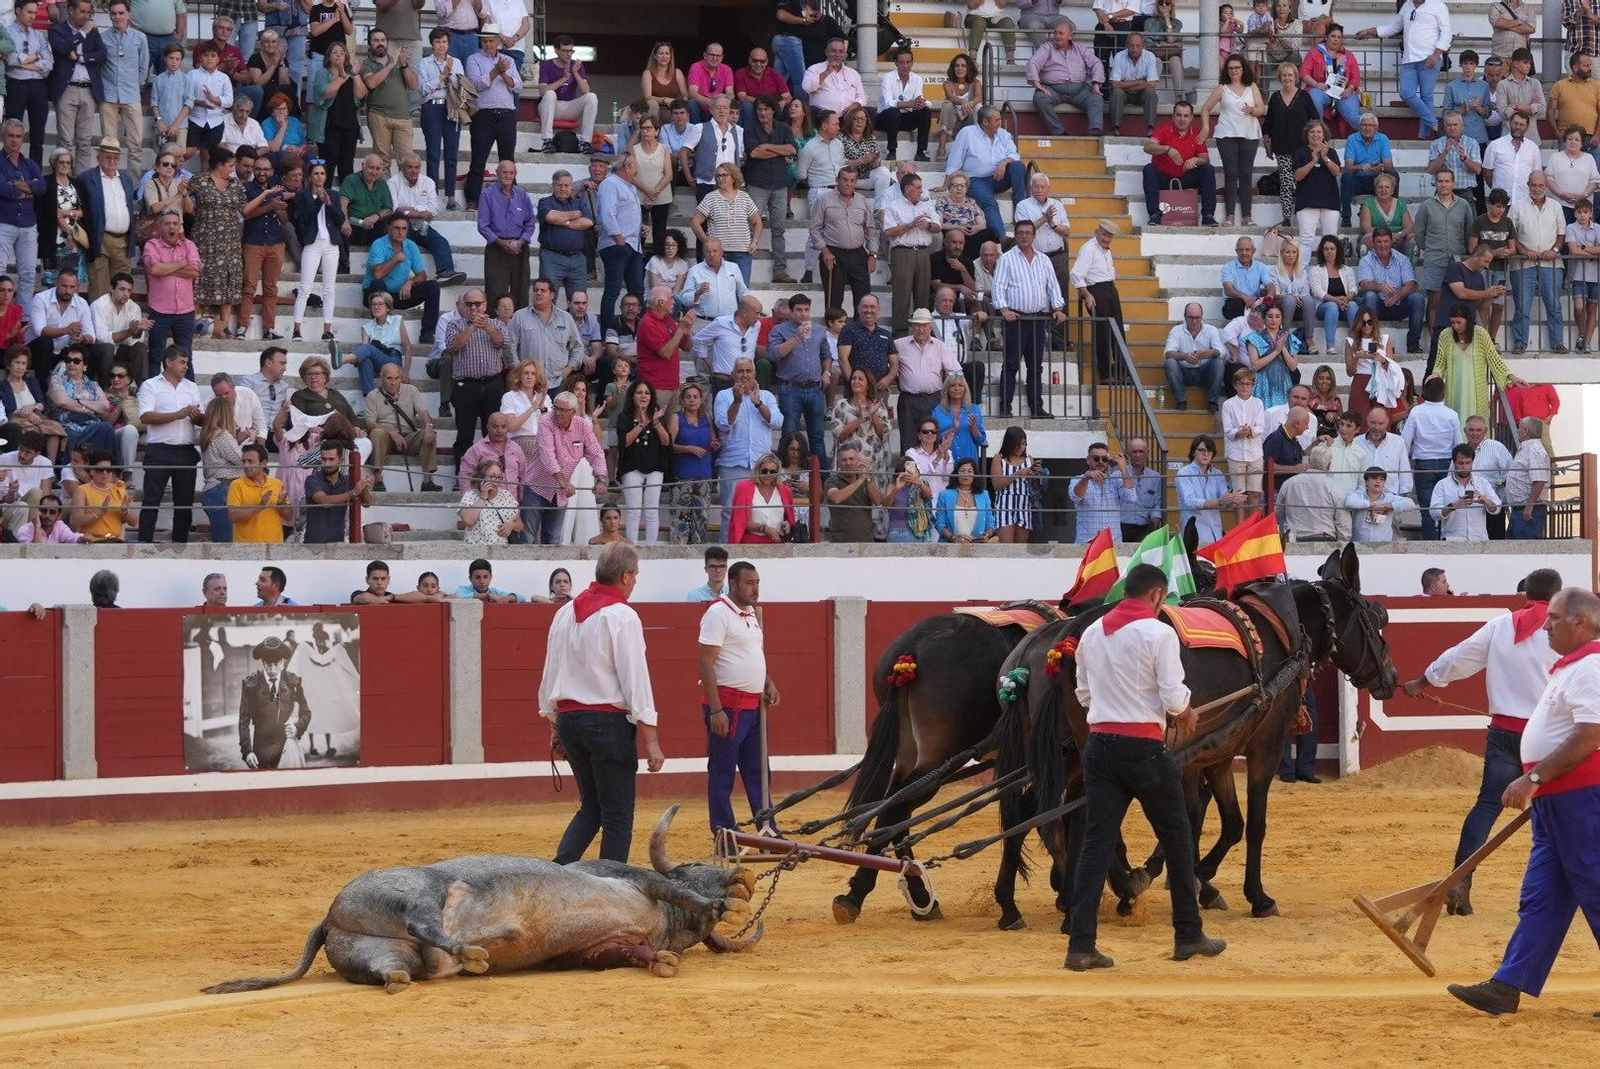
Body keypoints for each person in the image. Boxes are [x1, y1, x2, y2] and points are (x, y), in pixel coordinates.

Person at [1446, 585, 1600, 1016]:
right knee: (1543, 896)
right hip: (1560, 799)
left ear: (1580, 622)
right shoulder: (1572, 666)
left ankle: (1509, 983)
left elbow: (1591, 735)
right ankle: (1508, 985)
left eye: (1553, 618)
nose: (1545, 625)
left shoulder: (1591, 666)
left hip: (1582, 797)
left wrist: (1533, 775)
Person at [1068, 562, 1224, 972]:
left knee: (1096, 844)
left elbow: (1084, 694)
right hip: (1144, 749)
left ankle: (1081, 945)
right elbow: (1174, 696)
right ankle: (1188, 934)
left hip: (1100, 745)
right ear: (1156, 596)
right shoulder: (1159, 633)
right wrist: (1185, 712)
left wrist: (1117, 708)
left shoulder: (1091, 632)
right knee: (1177, 837)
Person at [1402, 566, 1559, 912]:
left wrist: (1423, 682)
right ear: (1557, 598)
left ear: (1524, 595)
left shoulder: (1501, 625)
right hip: (1550, 739)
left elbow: (1459, 658)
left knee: (1487, 805)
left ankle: (1461, 880)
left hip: (1504, 733)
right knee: (1567, 810)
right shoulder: (1566, 630)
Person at [541, 542, 664, 863]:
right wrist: (651, 741)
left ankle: (559, 873)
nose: (635, 582)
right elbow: (636, 680)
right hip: (607, 726)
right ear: (624, 576)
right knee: (617, 815)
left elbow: (550, 671)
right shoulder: (622, 616)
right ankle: (611, 889)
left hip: (570, 721)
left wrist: (554, 723)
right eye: (635, 575)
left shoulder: (564, 613)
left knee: (592, 806)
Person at [696, 557, 779, 829]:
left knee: (758, 771)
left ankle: (767, 828)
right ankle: (724, 832)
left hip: (754, 706)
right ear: (732, 584)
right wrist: (717, 710)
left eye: (757, 583)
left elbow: (752, 655)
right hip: (728, 706)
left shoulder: (751, 613)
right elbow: (706, 662)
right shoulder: (718, 613)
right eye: (749, 583)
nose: (755, 589)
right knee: (722, 772)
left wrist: (767, 681)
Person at [1356, 0, 1451, 138]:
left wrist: (1436, 54)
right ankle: (1434, 124)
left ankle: (1423, 136)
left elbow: (1446, 32)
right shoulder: (1407, 5)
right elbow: (1393, 28)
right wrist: (1368, 31)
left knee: (1426, 97)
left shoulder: (1438, 5)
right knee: (1406, 93)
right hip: (1409, 59)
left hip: (1429, 58)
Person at [135, 347, 200, 542]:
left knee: (184, 503)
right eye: (182, 362)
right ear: (168, 362)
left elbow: (197, 417)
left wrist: (202, 418)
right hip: (159, 449)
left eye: (187, 363)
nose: (186, 367)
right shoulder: (151, 385)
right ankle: (143, 544)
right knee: (151, 501)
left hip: (186, 450)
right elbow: (145, 416)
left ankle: (180, 545)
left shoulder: (192, 386)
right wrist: (178, 414)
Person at [1197, 53, 1264, 228]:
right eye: (1230, 68)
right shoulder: (1222, 88)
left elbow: (1261, 108)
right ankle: (1230, 215)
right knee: (1231, 173)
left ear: (1243, 69)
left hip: (1249, 133)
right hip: (1226, 133)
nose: (1234, 71)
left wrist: (1253, 110)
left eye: (1237, 67)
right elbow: (1205, 108)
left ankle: (1247, 216)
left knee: (1246, 174)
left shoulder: (1252, 86)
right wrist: (1205, 127)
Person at [713, 356, 781, 529]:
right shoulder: (724, 395)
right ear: (733, 374)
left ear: (755, 373)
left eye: (748, 371)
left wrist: (758, 403)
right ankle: (727, 553)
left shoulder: (766, 396)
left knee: (759, 513)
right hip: (733, 463)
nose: (744, 375)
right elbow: (723, 424)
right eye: (740, 371)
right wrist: (737, 401)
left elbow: (777, 421)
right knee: (731, 511)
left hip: (761, 465)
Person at [943, 105, 1028, 239]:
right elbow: (955, 159)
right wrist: (946, 182)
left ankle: (1020, 212)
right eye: (997, 120)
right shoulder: (967, 133)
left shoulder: (1003, 134)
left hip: (999, 178)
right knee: (990, 203)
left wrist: (1004, 162)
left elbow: (1014, 153)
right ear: (985, 122)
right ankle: (1002, 238)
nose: (1000, 123)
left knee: (1018, 166)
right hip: (976, 180)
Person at [1509, 171, 1567, 353]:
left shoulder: (1556, 206)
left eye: (1541, 185)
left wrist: (1555, 251)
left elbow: (1561, 235)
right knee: (1522, 308)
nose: (1537, 189)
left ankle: (1557, 343)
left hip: (1551, 264)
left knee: (1554, 306)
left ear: (1546, 186)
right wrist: (1524, 251)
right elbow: (1511, 235)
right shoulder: (1517, 206)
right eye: (1533, 185)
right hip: (1523, 264)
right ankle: (1520, 344)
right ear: (1528, 185)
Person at [462, 25, 518, 209]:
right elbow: (476, 84)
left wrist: (503, 73)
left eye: (491, 40)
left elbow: (517, 87)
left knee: (508, 159)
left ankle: (511, 197)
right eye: (484, 40)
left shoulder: (508, 59)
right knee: (479, 158)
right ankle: (472, 199)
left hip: (507, 113)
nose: (488, 44)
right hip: (484, 114)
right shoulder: (473, 59)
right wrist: (496, 71)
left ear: (498, 41)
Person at [361, 215, 440, 345]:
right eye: (396, 228)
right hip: (375, 296)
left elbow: (422, 275)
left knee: (432, 286)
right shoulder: (379, 244)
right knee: (377, 284)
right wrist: (396, 259)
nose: (401, 232)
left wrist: (410, 282)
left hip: (401, 295)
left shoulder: (411, 246)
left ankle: (427, 333)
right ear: (388, 229)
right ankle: (378, 331)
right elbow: (378, 274)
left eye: (404, 228)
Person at [235, 636, 310, 769]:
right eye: (269, 665)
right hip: (261, 749)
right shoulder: (251, 684)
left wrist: (297, 727)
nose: (273, 670)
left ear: (282, 662)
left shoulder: (293, 682)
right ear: (263, 663)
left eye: (277, 664)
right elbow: (243, 721)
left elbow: (306, 713)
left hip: (287, 745)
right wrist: (247, 751)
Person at [1142, 101, 1217, 227]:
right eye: (1179, 115)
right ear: (1173, 116)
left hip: (1186, 177)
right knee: (1149, 169)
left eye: (1186, 116)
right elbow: (1148, 147)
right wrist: (1167, 149)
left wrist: (1195, 160)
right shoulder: (1164, 130)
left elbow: (1205, 159)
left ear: (1191, 118)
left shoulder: (1197, 134)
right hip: (1164, 177)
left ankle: (1208, 216)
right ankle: (1154, 215)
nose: (1182, 119)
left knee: (1208, 169)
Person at [365, 362, 438, 492]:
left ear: (401, 377)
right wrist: (391, 432)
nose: (393, 382)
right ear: (381, 378)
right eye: (389, 378)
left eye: (396, 378)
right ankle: (378, 478)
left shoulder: (411, 390)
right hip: (386, 439)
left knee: (429, 433)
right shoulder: (373, 395)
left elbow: (423, 412)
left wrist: (428, 426)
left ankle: (427, 480)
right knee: (376, 433)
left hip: (408, 438)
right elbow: (370, 422)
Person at [1027, 21, 1105, 138]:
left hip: (1080, 90)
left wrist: (1096, 83)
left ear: (1070, 35)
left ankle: (1095, 130)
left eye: (1061, 33)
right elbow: (1033, 63)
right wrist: (1036, 83)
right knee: (1039, 98)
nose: (1057, 36)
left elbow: (1096, 63)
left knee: (1096, 98)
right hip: (1053, 90)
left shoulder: (1080, 48)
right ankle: (1059, 132)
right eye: (1055, 33)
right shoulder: (1047, 48)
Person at [1356, 228, 1426, 354]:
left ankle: (1413, 344)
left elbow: (1410, 284)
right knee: (1370, 296)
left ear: (1391, 242)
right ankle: (1372, 341)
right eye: (1379, 242)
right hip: (1377, 306)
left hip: (1399, 305)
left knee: (1418, 298)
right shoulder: (1366, 261)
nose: (1383, 245)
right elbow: (1364, 284)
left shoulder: (1402, 259)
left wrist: (1397, 296)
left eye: (1386, 241)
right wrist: (1381, 286)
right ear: (1373, 242)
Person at [1069, 218, 1122, 383]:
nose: (1106, 239)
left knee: (1117, 331)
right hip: (1097, 291)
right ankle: (1105, 374)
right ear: (1096, 232)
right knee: (1103, 332)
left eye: (1110, 236)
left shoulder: (1106, 250)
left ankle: (1121, 373)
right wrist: (1086, 294)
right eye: (1104, 235)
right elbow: (1076, 274)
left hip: (1110, 289)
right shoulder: (1089, 248)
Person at [1431, 441, 1502, 541]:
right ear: (1454, 462)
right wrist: (1454, 506)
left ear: (1473, 462)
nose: (1464, 467)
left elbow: (1497, 507)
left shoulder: (1482, 482)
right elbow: (1434, 513)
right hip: (1452, 541)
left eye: (1468, 463)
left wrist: (1486, 501)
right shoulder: (1442, 484)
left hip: (1479, 541)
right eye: (1461, 463)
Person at [1175, 434, 1239, 543]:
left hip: (1216, 533)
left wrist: (1232, 498)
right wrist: (1220, 501)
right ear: (1193, 452)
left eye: (1210, 451)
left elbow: (1224, 498)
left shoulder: (1217, 473)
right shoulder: (1184, 473)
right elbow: (1190, 502)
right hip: (1194, 534)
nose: (1206, 454)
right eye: (1201, 450)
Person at [1222, 366, 1266, 518]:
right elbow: (1227, 430)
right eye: (1242, 383)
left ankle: (1251, 527)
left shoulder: (1258, 403)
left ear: (1253, 386)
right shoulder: (1228, 404)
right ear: (1235, 385)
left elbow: (1261, 427)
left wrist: (1250, 431)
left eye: (1248, 384)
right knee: (1238, 495)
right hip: (1236, 454)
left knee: (1255, 493)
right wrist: (1239, 433)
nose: (1245, 387)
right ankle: (1240, 529)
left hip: (1255, 453)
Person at [227, 441, 290, 543]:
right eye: (244, 461)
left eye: (251, 461)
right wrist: (259, 507)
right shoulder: (236, 485)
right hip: (246, 547)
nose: (246, 465)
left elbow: (289, 516)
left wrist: (282, 505)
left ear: (263, 463)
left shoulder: (277, 483)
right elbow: (233, 516)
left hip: (274, 545)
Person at [1071, 440, 1133, 544]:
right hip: (1087, 542)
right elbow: (1076, 496)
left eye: (1104, 459)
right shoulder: (1078, 479)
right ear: (1088, 460)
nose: (1100, 461)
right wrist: (1086, 477)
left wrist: (1124, 470)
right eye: (1096, 458)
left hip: (1112, 543)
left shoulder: (1116, 480)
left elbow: (1131, 498)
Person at [824, 444, 887, 542]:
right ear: (838, 463)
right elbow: (836, 498)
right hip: (840, 542)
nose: (848, 462)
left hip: (866, 542)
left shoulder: (866, 479)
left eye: (851, 459)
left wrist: (867, 477)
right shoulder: (832, 480)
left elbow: (878, 501)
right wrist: (860, 481)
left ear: (858, 460)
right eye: (844, 460)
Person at [1504, 415, 1552, 539]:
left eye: (1519, 428)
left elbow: (1540, 480)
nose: (1517, 431)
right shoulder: (1527, 449)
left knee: (1525, 552)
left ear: (1525, 431)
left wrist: (1529, 507)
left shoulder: (1534, 450)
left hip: (1528, 511)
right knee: (1515, 551)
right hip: (1520, 510)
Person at [1108, 32, 1160, 136]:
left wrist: (1124, 83)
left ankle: (1150, 128)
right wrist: (1140, 82)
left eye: (1138, 46)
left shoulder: (1150, 56)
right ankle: (1116, 127)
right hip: (1124, 93)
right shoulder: (1119, 56)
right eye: (1132, 46)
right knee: (1117, 93)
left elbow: (1151, 84)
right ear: (1127, 45)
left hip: (1141, 94)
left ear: (1143, 46)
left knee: (1150, 93)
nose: (1135, 49)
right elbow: (1115, 84)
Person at [934, 457, 996, 543]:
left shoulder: (984, 495)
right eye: (962, 471)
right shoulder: (944, 495)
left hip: (977, 545)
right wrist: (954, 538)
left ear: (975, 475)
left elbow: (991, 524)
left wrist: (986, 535)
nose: (965, 474)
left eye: (970, 471)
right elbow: (940, 524)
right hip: (950, 546)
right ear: (956, 473)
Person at [802, 36, 865, 117]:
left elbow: (862, 95)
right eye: (834, 51)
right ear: (826, 52)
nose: (837, 54)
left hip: (848, 116)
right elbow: (807, 88)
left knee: (869, 112)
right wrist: (827, 72)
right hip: (823, 115)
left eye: (841, 51)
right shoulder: (814, 69)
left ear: (845, 54)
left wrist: (856, 104)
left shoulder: (853, 73)